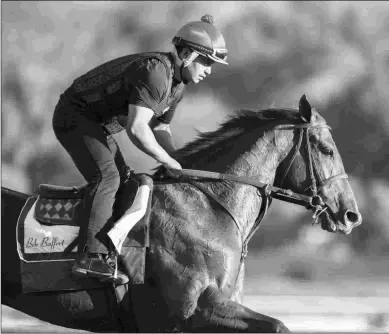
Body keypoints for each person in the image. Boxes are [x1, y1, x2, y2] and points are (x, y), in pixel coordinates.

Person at [52, 14, 228, 284]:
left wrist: (181, 162)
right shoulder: (156, 73)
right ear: (188, 55)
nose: (209, 70)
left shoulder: (177, 86)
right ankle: (89, 258)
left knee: (125, 181)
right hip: (74, 117)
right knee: (107, 178)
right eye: (206, 62)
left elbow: (160, 129)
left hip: (97, 125)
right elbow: (137, 129)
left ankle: (111, 253)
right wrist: (168, 161)